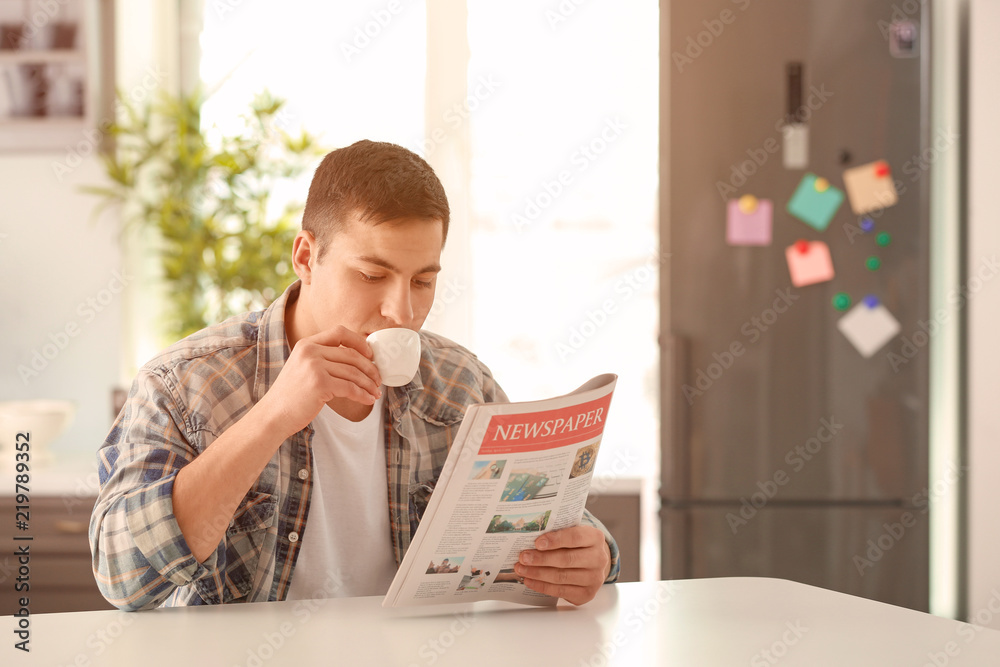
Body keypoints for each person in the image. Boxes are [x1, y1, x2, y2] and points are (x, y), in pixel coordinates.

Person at [89, 140, 620, 611]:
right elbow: (122, 577)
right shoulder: (184, 383)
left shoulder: (458, 383)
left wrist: (591, 554)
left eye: (423, 281)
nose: (402, 310)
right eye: (372, 275)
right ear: (306, 256)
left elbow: (544, 518)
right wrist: (272, 417)